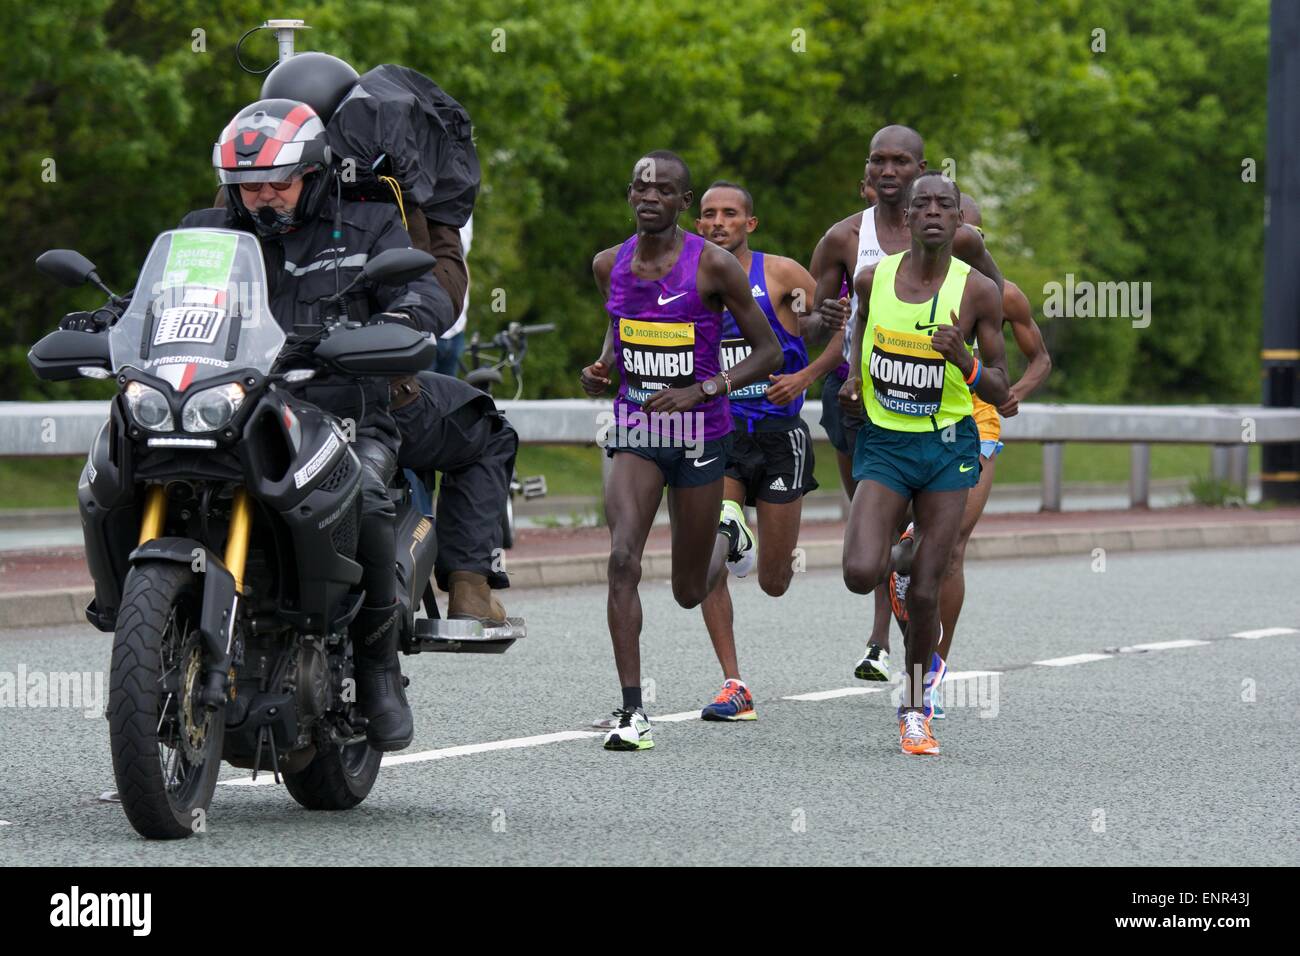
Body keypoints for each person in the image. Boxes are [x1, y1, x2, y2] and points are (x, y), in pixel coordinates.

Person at [196, 98, 456, 751]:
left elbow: (420, 290)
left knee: (364, 497)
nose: (262, 199)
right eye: (248, 186)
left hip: (345, 414)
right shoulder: (207, 232)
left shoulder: (367, 224)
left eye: (277, 184)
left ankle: (377, 672)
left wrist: (402, 322)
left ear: (312, 176)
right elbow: (171, 300)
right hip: (237, 414)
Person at [581, 151, 781, 751]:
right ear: (630, 194)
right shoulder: (608, 263)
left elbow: (768, 352)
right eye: (640, 187)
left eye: (663, 190)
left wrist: (703, 388)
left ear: (682, 203)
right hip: (638, 430)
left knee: (689, 589)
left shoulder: (714, 266)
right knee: (622, 559)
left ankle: (728, 532)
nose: (650, 197)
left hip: (698, 433)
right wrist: (605, 369)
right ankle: (631, 712)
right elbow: (621, 327)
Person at [800, 125, 1005, 685]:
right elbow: (811, 321)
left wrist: (968, 360)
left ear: (921, 170)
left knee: (935, 556)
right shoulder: (845, 240)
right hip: (859, 402)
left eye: (900, 162)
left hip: (946, 419)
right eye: (878, 162)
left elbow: (999, 308)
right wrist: (828, 324)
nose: (888, 171)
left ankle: (920, 675)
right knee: (870, 549)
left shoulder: (960, 240)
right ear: (868, 174)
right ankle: (882, 626)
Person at [839, 171, 1009, 756]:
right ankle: (903, 553)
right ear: (905, 218)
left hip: (946, 446)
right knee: (860, 571)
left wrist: (964, 363)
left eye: (945, 204)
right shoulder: (872, 277)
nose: (933, 212)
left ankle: (915, 710)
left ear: (959, 220)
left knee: (926, 592)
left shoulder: (978, 291)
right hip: (886, 443)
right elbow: (860, 325)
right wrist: (856, 382)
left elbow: (1001, 385)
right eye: (922, 204)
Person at [879, 193, 1052, 717]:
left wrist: (1014, 391)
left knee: (950, 546)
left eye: (968, 237)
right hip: (909, 424)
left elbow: (1040, 357)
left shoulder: (1000, 295)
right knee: (902, 549)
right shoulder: (900, 282)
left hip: (975, 423)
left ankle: (931, 669)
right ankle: (903, 563)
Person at [691, 180, 819, 721]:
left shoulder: (784, 274)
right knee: (707, 559)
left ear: (750, 224)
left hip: (780, 437)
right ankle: (733, 685)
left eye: (729, 214)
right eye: (708, 214)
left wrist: (805, 374)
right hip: (719, 433)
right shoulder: (686, 279)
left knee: (773, 581)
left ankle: (742, 540)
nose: (717, 222)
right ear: (698, 224)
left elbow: (837, 326)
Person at [391, 369, 517, 625]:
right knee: (490, 432)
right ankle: (469, 588)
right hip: (377, 405)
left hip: (298, 407)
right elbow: (424, 327)